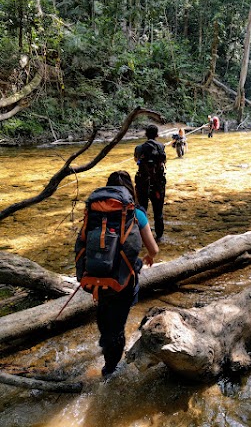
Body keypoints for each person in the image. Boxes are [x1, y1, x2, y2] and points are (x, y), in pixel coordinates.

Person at [97, 170, 159, 377]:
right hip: (124, 279)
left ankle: (107, 347)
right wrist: (149, 257)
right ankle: (110, 370)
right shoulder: (136, 213)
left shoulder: (96, 211)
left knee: (106, 318)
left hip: (97, 276)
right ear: (130, 190)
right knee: (117, 326)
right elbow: (154, 249)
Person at [134, 124, 166, 241]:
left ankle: (142, 236)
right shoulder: (161, 146)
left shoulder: (138, 148)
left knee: (141, 211)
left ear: (146, 135)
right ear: (157, 134)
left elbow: (136, 160)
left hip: (142, 183)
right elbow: (163, 162)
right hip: (158, 184)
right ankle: (159, 237)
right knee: (158, 212)